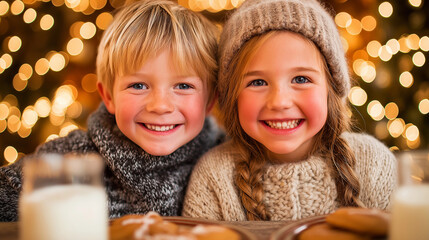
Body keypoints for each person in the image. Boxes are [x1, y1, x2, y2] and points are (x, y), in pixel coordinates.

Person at [0, 0, 222, 221]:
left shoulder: (227, 160)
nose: (160, 106)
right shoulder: (71, 161)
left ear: (210, 101)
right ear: (108, 96)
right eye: (138, 86)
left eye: (183, 86)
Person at [182, 0, 397, 221]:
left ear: (330, 89)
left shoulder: (373, 164)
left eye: (301, 79)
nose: (280, 102)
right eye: (257, 82)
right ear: (232, 97)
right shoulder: (214, 177)